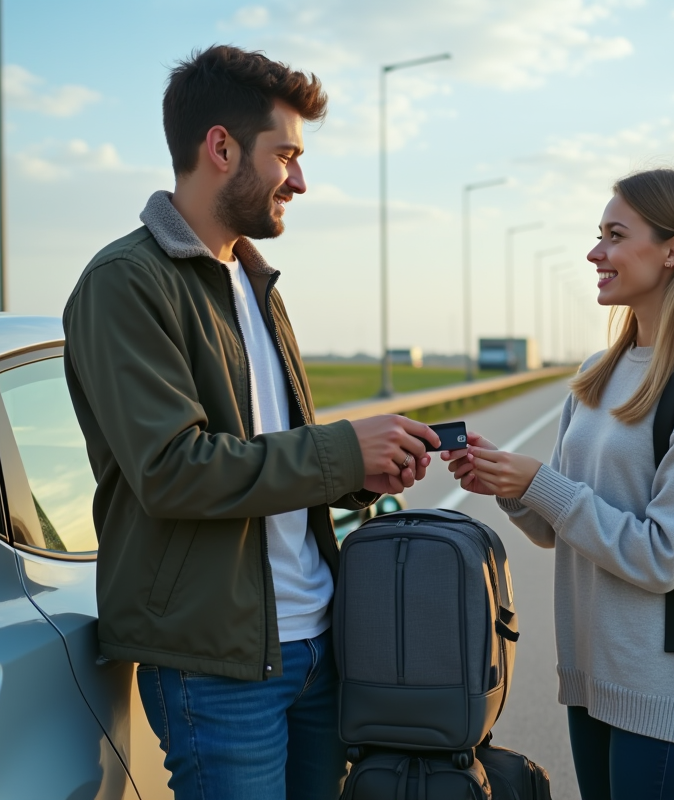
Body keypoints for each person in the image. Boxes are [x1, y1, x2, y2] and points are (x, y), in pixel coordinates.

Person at [62, 45, 440, 800]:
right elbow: (174, 469)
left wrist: (365, 470)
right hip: (216, 666)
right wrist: (340, 450)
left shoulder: (255, 281)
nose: (299, 180)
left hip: (316, 643)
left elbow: (269, 452)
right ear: (221, 147)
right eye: (286, 156)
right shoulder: (124, 284)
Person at [444, 167, 674, 800]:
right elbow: (554, 527)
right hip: (589, 676)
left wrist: (542, 483)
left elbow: (662, 557)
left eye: (615, 235)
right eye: (598, 234)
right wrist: (507, 481)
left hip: (660, 688)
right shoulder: (599, 371)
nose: (595, 253)